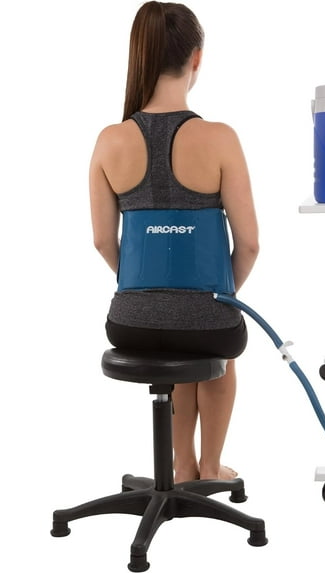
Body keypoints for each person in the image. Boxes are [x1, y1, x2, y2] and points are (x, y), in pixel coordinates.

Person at [89, 2, 259, 484]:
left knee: (177, 336)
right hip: (209, 317)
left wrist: (150, 288)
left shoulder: (109, 141)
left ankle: (182, 467)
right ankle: (210, 467)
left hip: (131, 324)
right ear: (196, 58)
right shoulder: (219, 138)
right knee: (215, 350)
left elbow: (102, 241)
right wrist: (217, 296)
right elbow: (249, 244)